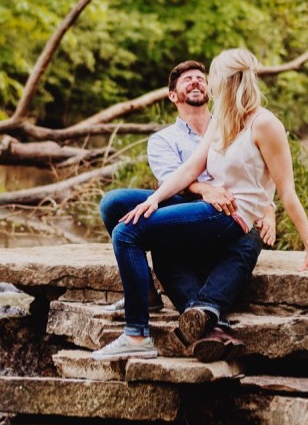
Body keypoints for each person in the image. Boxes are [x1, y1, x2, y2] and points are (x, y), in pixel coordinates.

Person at [93, 48, 308, 362]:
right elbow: (189, 169)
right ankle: (191, 319)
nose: (206, 83)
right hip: (210, 211)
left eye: (210, 77)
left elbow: (287, 190)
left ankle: (136, 334)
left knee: (126, 234)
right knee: (127, 220)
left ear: (227, 80)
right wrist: (153, 200)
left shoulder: (265, 124)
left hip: (233, 218)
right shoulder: (221, 119)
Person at [97, 61, 274, 321]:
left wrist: (269, 211)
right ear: (172, 95)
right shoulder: (163, 139)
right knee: (114, 203)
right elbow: (174, 178)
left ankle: (204, 310)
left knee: (249, 234)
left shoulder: (236, 125)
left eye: (200, 78)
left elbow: (260, 174)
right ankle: (155, 297)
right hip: (182, 208)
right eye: (187, 79)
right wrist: (205, 190)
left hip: (230, 214)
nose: (195, 81)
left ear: (211, 89)